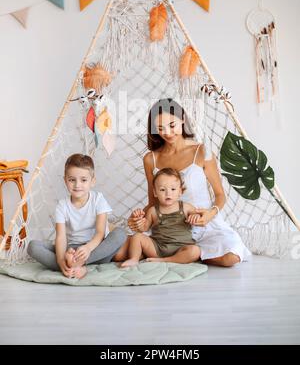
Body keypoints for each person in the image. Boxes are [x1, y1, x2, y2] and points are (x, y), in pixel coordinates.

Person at [115, 98, 251, 267]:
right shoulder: (151, 159)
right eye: (160, 128)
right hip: (168, 228)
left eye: (172, 125)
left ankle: (185, 253)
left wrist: (210, 213)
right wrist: (138, 220)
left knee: (231, 256)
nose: (167, 132)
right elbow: (153, 202)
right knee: (119, 254)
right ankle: (179, 253)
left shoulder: (201, 151)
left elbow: (220, 195)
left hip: (203, 224)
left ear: (182, 120)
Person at [28, 153, 126, 278]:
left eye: (83, 180)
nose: (77, 185)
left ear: (92, 181)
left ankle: (77, 264)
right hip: (72, 249)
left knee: (120, 233)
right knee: (33, 247)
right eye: (72, 180)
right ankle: (69, 264)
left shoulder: (98, 199)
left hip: (95, 249)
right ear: (65, 180)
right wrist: (60, 259)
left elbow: (100, 233)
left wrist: (87, 249)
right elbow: (61, 237)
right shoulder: (62, 206)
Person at [121, 168, 201, 267]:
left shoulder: (186, 207)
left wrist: (195, 216)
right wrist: (138, 218)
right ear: (155, 192)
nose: (168, 193)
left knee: (195, 251)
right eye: (162, 189)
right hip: (157, 248)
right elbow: (143, 229)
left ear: (180, 191)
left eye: (173, 189)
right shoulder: (153, 211)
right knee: (137, 237)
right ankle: (134, 259)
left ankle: (165, 260)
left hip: (181, 248)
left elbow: (198, 216)